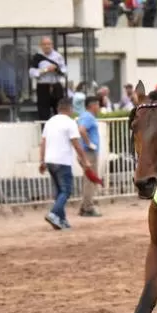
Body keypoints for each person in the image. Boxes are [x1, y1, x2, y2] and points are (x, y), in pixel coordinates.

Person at [39, 98, 92, 230]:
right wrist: (85, 160)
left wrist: (41, 160)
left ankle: (61, 221)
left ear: (58, 109)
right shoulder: (70, 123)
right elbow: (76, 144)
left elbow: (43, 142)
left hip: (50, 160)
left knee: (59, 192)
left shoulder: (50, 122)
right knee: (66, 191)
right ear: (69, 109)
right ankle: (53, 214)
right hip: (62, 161)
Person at [76, 95, 101, 217]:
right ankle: (88, 207)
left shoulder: (83, 116)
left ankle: (83, 206)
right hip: (89, 153)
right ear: (92, 105)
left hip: (86, 152)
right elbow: (81, 130)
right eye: (97, 104)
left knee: (88, 179)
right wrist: (89, 144)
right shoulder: (88, 117)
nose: (99, 107)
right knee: (90, 180)